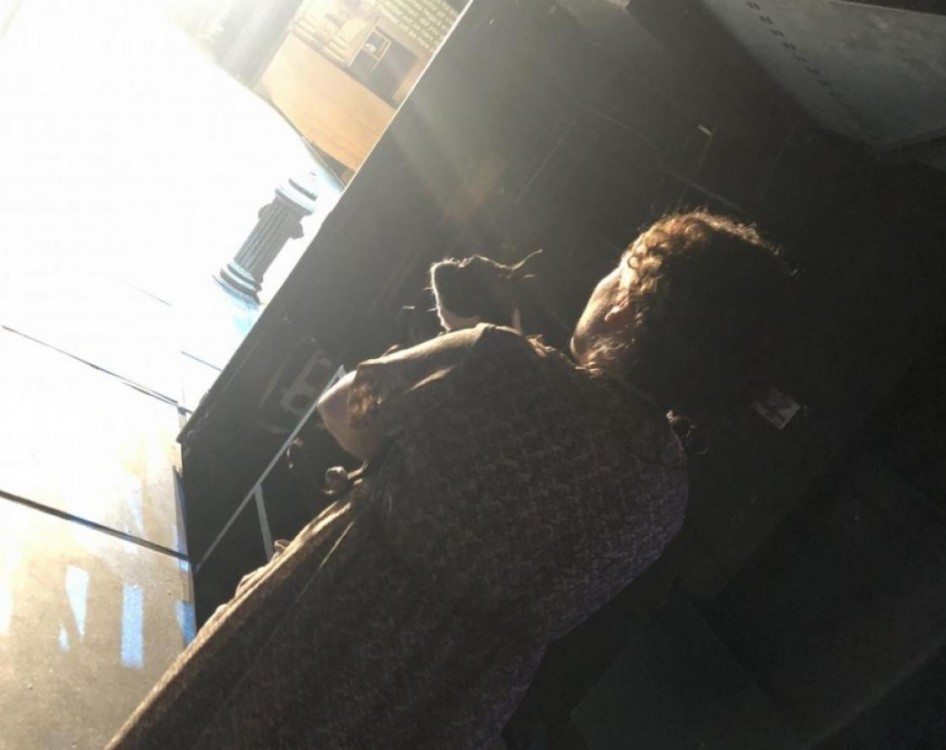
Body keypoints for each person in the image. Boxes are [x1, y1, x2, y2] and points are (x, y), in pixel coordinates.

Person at [105, 211, 790, 750]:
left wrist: (466, 347)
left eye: (619, 271)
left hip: (327, 618)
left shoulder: (501, 359)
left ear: (626, 306)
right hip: (446, 703)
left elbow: (344, 410)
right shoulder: (667, 493)